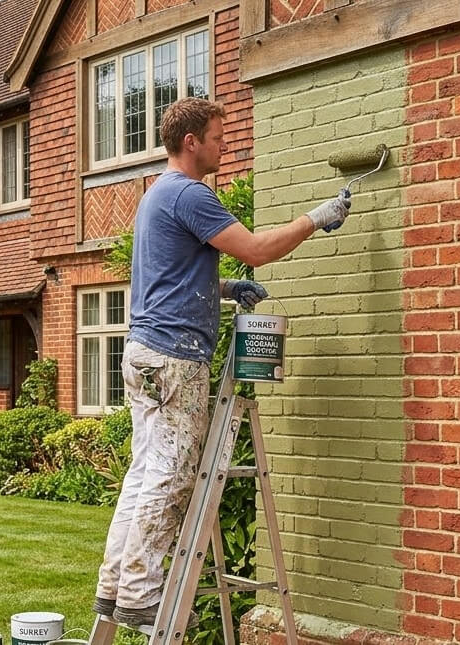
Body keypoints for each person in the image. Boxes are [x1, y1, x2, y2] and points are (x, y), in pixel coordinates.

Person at [94, 97, 351, 627]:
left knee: (144, 472)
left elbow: (171, 274)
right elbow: (255, 247)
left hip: (143, 352)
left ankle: (114, 586)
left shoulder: (155, 196)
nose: (224, 146)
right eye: (217, 137)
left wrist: (227, 287)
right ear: (191, 142)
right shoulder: (190, 194)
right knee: (170, 476)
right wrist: (314, 218)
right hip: (175, 358)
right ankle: (141, 597)